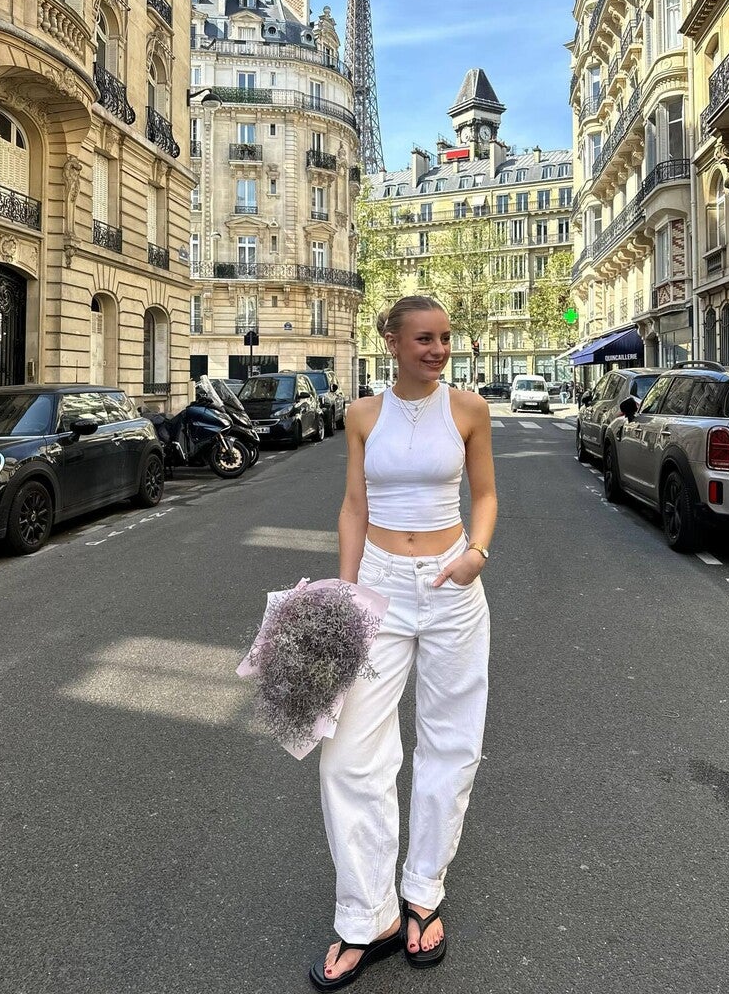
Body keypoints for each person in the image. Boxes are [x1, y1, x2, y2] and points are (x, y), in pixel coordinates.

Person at [310, 295, 497, 991]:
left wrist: (477, 551)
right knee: (350, 756)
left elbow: (484, 496)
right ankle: (368, 917)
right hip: (381, 585)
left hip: (453, 584)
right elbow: (354, 506)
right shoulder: (362, 415)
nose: (437, 349)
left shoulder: (469, 410)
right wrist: (346, 592)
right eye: (423, 338)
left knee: (450, 742)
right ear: (390, 341)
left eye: (444, 338)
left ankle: (422, 891)